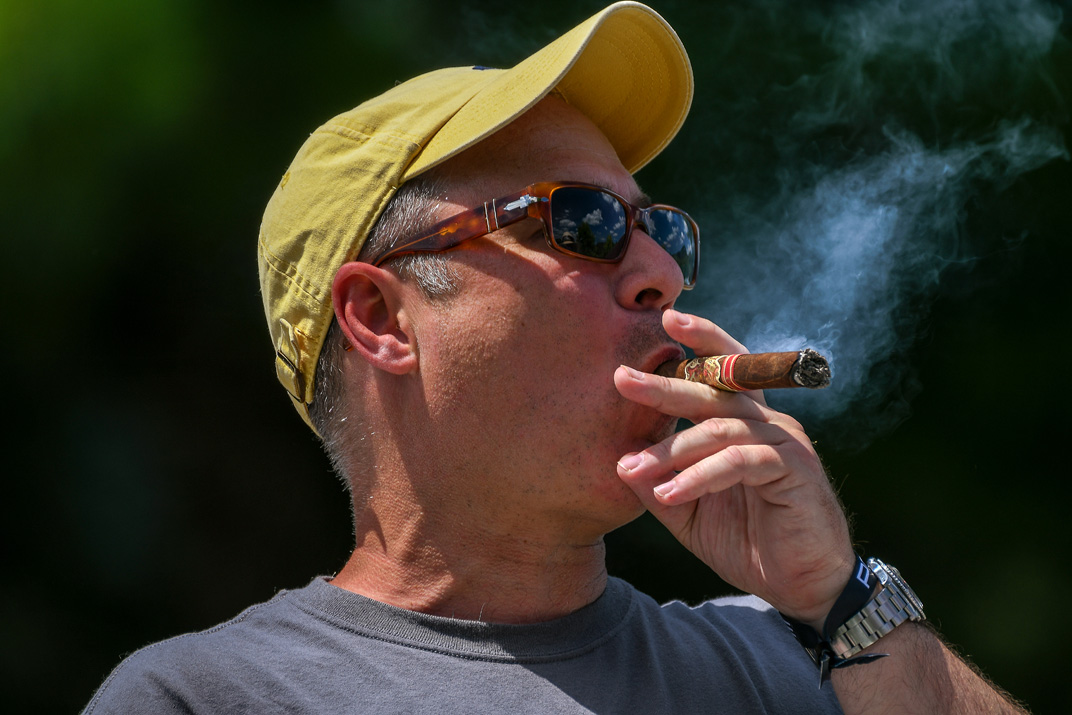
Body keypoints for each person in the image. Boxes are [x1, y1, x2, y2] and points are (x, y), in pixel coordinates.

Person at [85, 3, 1025, 713]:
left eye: (661, 228)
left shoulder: (803, 662)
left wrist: (841, 598)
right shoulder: (205, 697)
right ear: (381, 318)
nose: (661, 272)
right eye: (582, 222)